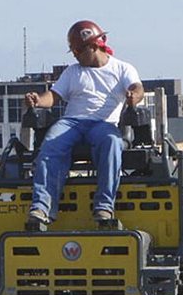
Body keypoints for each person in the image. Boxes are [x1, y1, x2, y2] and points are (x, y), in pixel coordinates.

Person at [24, 20, 144, 225]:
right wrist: (38, 101)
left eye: (78, 50)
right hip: (72, 123)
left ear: (94, 46)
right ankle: (42, 208)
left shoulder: (122, 69)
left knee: (112, 143)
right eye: (73, 50)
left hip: (103, 123)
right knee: (51, 145)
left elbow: (137, 87)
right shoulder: (73, 72)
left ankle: (104, 207)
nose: (75, 55)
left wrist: (135, 96)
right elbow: (54, 96)